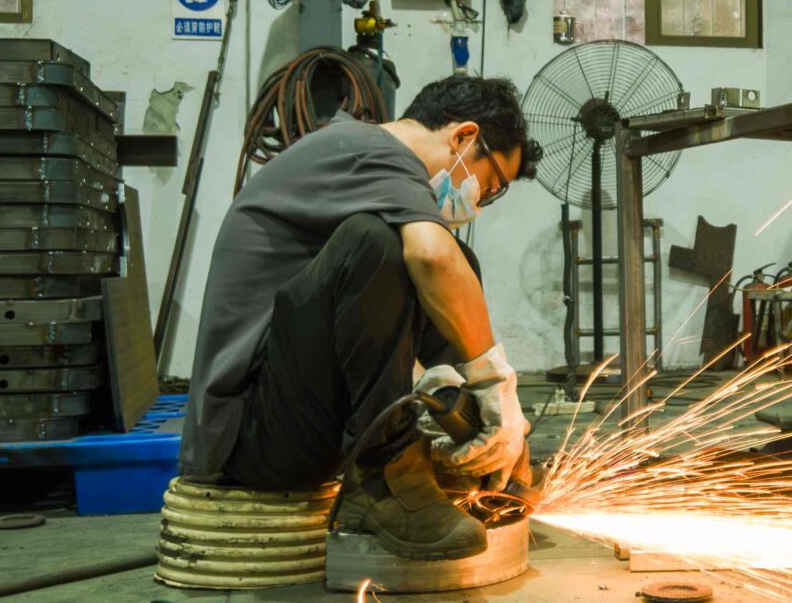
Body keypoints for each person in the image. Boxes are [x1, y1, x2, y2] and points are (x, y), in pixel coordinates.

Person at [177, 76, 542, 561]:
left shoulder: (371, 164)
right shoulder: (368, 150)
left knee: (456, 261)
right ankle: (383, 478)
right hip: (249, 440)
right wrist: (497, 385)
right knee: (378, 245)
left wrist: (480, 414)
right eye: (488, 186)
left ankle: (478, 455)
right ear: (463, 136)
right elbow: (431, 258)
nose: (477, 203)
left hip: (298, 421)